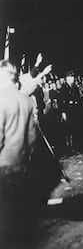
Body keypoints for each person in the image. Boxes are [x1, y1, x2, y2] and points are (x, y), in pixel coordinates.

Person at [0, 60, 38, 246]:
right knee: (18, 208)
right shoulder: (26, 100)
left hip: (3, 163)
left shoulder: (1, 100)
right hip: (22, 161)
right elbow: (32, 137)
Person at [59, 70, 81, 152]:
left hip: (75, 109)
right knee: (68, 128)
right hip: (67, 109)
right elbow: (60, 102)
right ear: (67, 78)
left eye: (72, 77)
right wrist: (63, 112)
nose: (72, 79)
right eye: (70, 77)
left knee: (75, 127)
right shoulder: (63, 88)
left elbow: (78, 98)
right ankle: (68, 146)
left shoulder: (75, 87)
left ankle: (74, 145)